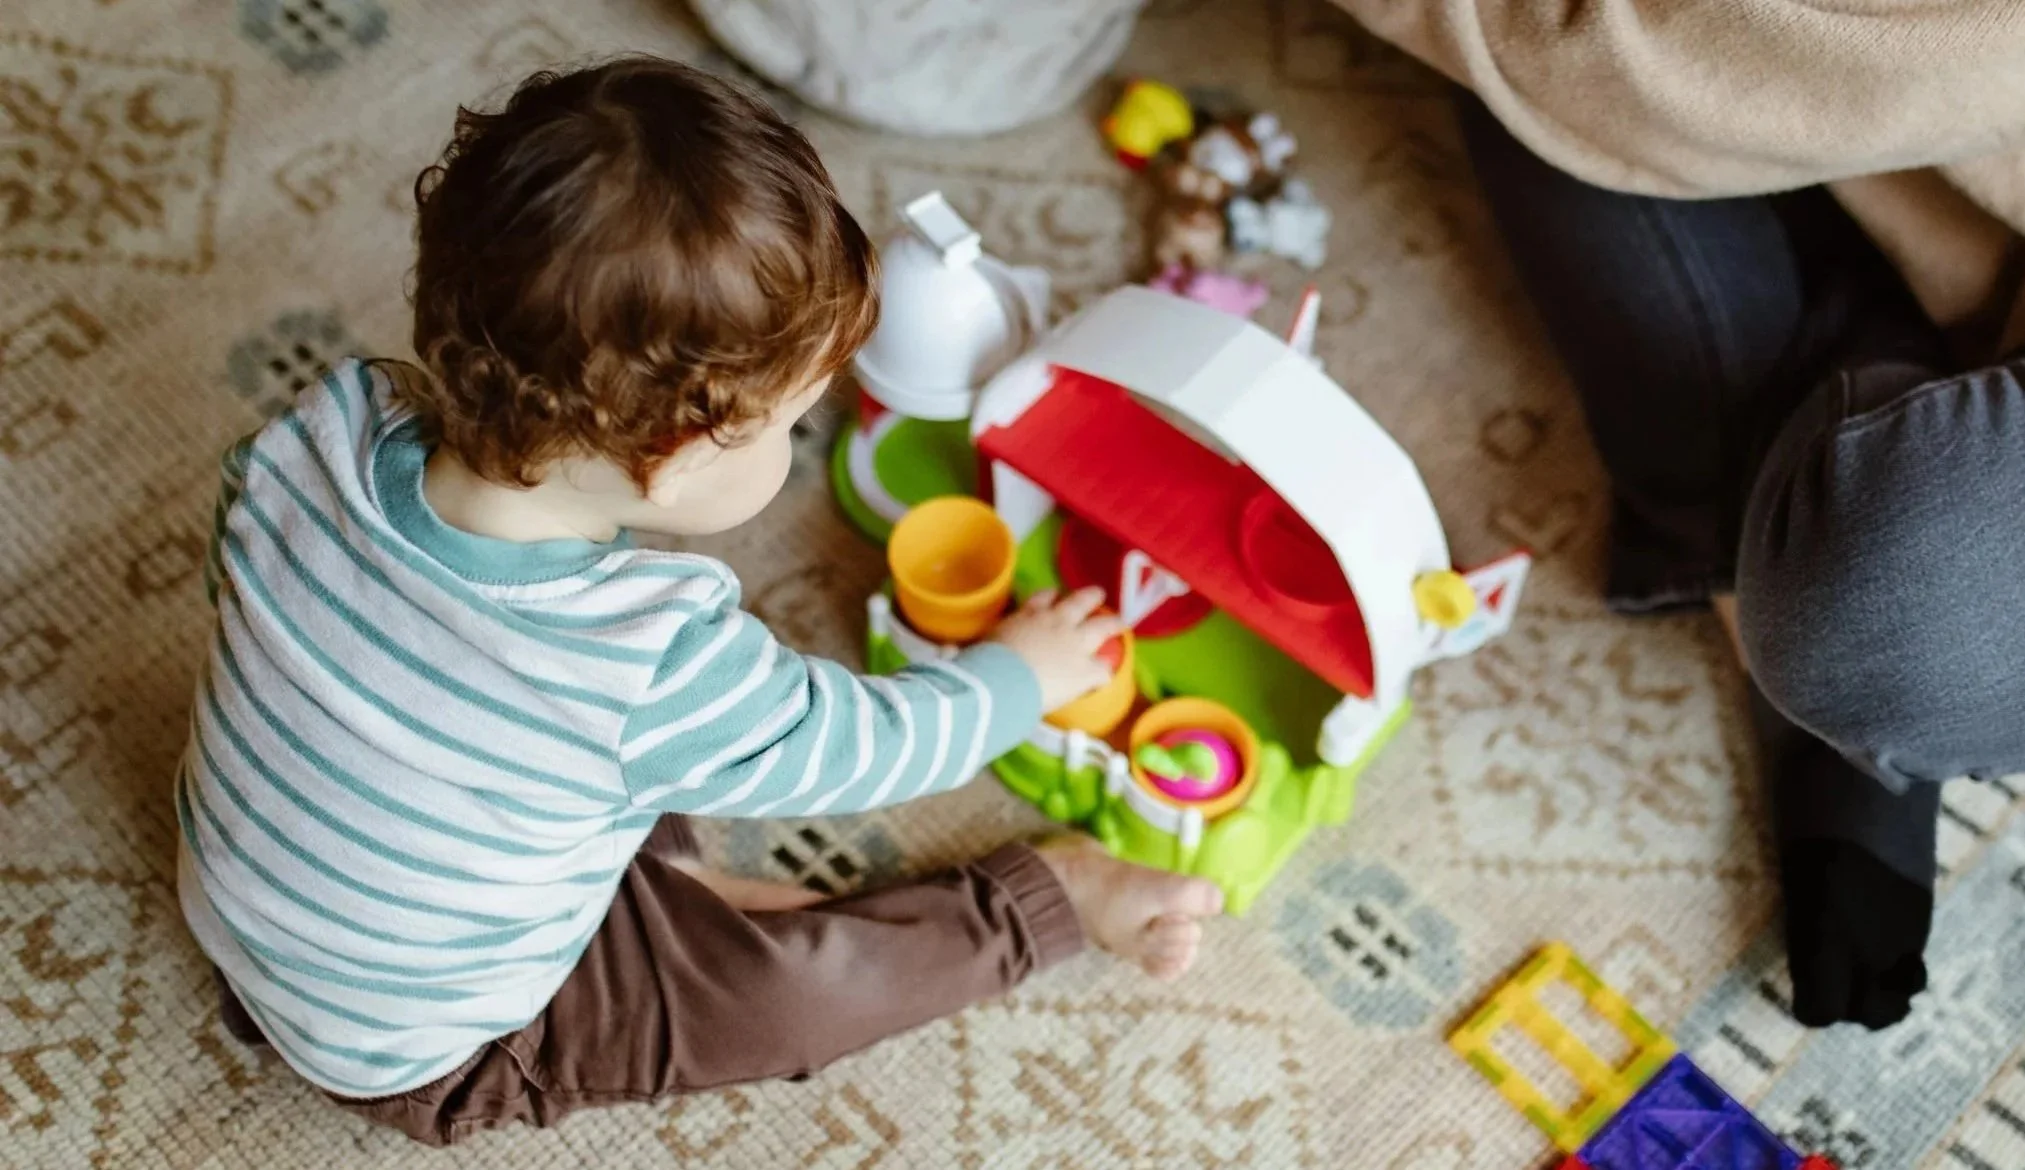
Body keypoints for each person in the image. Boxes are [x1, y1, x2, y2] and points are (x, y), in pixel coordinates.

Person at [176, 57, 1222, 1146]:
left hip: (257, 921)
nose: (797, 440)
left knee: (610, 775)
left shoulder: (319, 432)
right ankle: (1047, 901)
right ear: (675, 462)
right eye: (790, 423)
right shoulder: (649, 656)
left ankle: (667, 898)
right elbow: (870, 749)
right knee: (795, 1001)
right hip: (426, 1050)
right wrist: (1025, 674)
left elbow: (244, 597)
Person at [1325, 0, 2025, 1028]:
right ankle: (1781, 577)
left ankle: (1783, 569)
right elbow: (1550, 49)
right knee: (1565, 133)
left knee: (1578, 146)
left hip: (1923, 211)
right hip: (1850, 130)